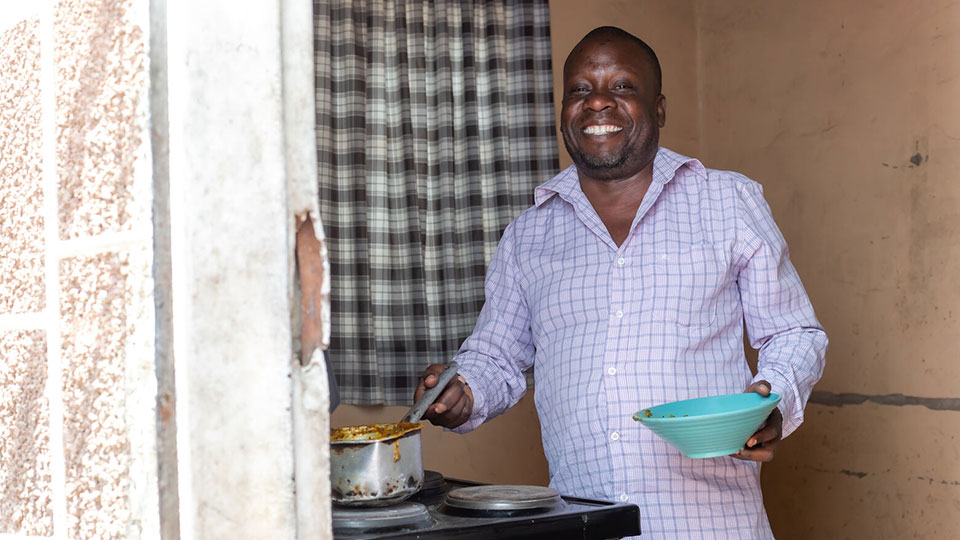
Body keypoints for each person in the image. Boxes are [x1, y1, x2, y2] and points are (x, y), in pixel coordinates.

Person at [414, 26, 827, 539]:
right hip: (587, 525)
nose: (599, 102)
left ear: (659, 109)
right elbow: (495, 356)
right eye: (580, 90)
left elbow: (793, 333)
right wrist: (462, 393)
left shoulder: (727, 203)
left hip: (710, 526)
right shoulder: (530, 234)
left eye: (623, 87)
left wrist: (771, 401)